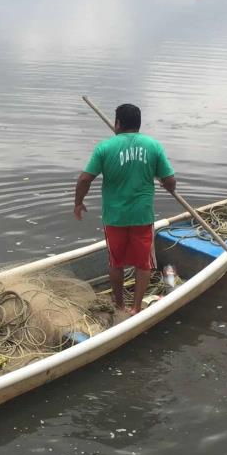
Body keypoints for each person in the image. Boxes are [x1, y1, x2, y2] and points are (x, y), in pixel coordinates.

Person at [74, 103, 177, 315]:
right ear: (138, 124)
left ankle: (119, 305)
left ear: (117, 123)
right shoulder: (153, 146)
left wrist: (78, 202)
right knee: (143, 263)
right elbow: (170, 180)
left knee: (116, 262)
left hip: (115, 217)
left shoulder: (105, 148)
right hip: (142, 215)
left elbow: (85, 178)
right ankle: (136, 307)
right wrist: (167, 186)